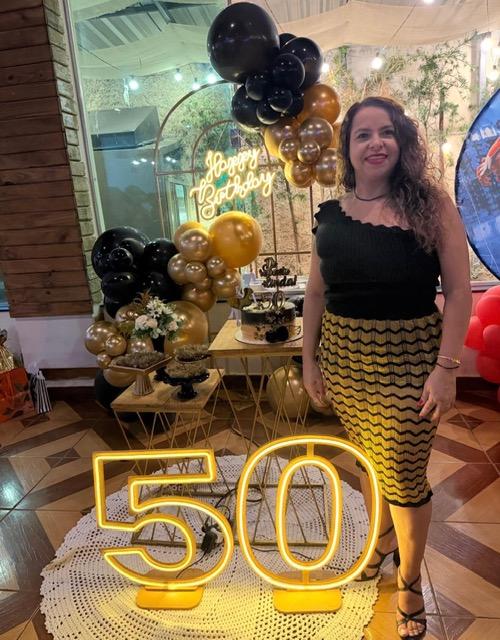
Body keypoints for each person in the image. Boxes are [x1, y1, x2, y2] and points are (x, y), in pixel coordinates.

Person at [302, 96, 472, 639]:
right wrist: (309, 361)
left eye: (386, 132)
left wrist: (446, 368)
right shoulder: (331, 215)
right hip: (345, 362)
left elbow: (460, 293)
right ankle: (381, 542)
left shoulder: (430, 205)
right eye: (363, 134)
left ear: (401, 141)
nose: (376, 142)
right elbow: (315, 295)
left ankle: (411, 581)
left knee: (402, 472)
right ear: (348, 149)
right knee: (371, 464)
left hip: (413, 361)